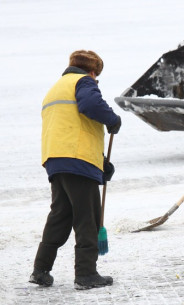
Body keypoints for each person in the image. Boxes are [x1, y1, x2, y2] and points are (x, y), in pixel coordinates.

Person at [29, 50, 121, 290]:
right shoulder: (83, 82)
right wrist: (112, 119)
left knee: (60, 216)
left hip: (55, 160)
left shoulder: (56, 88)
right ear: (92, 71)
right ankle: (86, 274)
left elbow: (71, 128)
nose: (95, 80)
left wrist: (99, 163)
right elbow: (91, 104)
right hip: (77, 159)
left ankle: (40, 269)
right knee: (88, 216)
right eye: (96, 76)